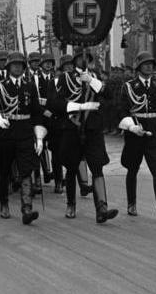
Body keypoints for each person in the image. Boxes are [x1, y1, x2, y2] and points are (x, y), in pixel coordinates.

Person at [48, 47, 118, 223]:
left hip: (93, 130)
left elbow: (109, 96)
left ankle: (102, 207)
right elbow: (54, 103)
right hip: (73, 128)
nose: (84, 60)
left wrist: (93, 82)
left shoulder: (95, 77)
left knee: (97, 167)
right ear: (75, 60)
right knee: (71, 168)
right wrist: (73, 107)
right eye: (81, 57)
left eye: (87, 57)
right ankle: (71, 204)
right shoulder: (65, 78)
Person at [0, 52, 45, 224]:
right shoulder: (0, 86)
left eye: (20, 65)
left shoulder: (30, 86)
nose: (17, 67)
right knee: (4, 171)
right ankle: (4, 203)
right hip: (6, 132)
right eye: (14, 65)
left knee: (26, 170)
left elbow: (36, 113)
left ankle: (27, 207)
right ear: (8, 67)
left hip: (25, 133)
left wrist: (39, 136)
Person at [118, 51, 156, 220]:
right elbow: (122, 110)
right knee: (132, 168)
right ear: (138, 67)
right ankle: (131, 203)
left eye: (151, 64)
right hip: (136, 130)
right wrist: (131, 127)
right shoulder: (129, 86)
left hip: (155, 131)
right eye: (146, 64)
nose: (149, 66)